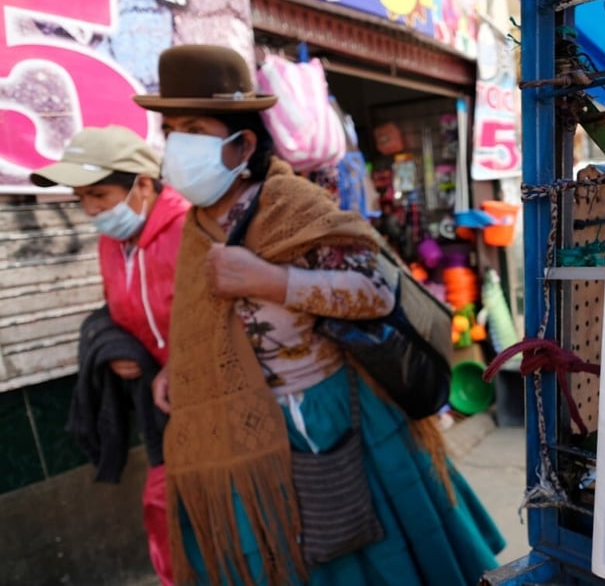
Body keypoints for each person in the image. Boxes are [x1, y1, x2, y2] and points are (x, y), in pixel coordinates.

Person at [134, 44, 503, 585]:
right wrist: (179, 366)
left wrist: (274, 281)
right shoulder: (196, 227)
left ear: (242, 145)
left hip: (332, 416)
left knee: (375, 558)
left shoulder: (292, 204)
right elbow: (205, 320)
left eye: (192, 127)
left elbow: (378, 290)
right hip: (245, 435)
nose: (175, 144)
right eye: (169, 131)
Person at [30, 125, 187, 586]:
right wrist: (122, 348)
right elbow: (124, 311)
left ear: (142, 182)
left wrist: (183, 364)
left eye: (99, 193)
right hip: (161, 410)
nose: (91, 209)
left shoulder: (191, 229)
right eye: (82, 197)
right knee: (169, 514)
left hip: (217, 401)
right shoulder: (112, 244)